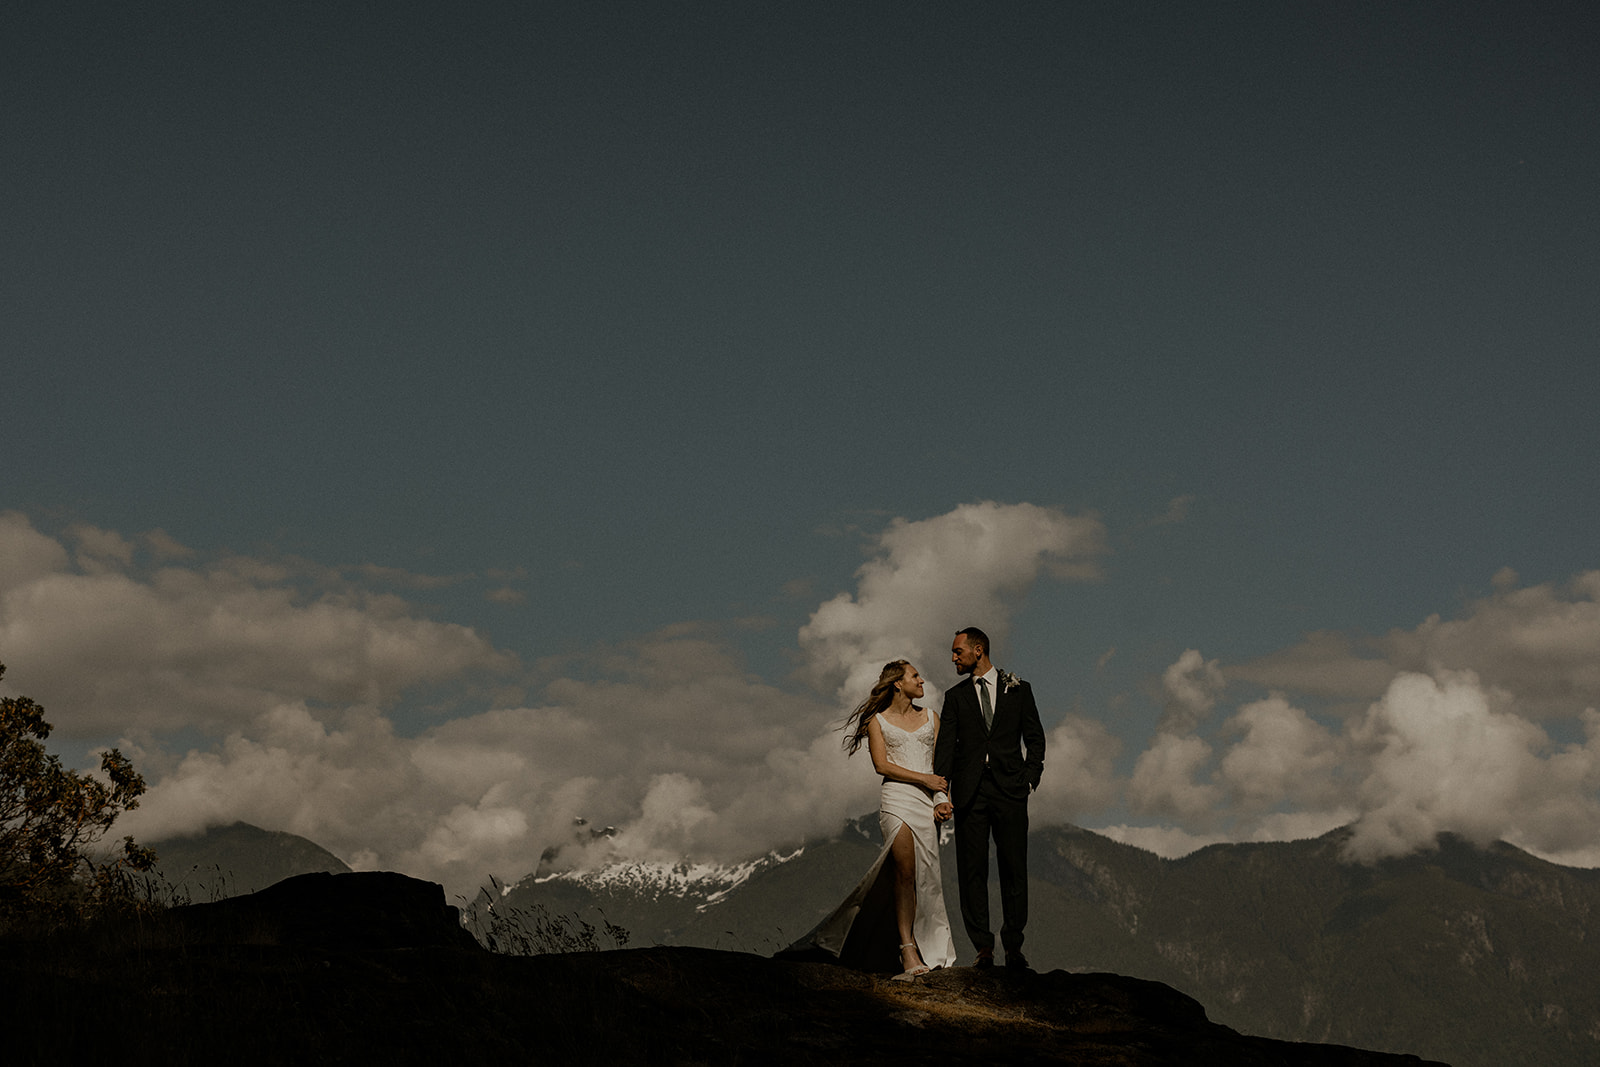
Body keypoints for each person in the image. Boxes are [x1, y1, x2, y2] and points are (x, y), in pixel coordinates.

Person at [777, 660, 957, 978]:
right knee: (904, 872)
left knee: (925, 877)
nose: (922, 680)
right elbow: (882, 765)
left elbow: (939, 764)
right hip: (898, 799)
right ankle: (907, 948)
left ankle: (920, 943)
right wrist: (924, 780)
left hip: (927, 802)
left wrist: (941, 798)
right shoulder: (877, 720)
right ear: (898, 683)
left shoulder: (932, 717)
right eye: (915, 676)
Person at [932, 626, 1045, 970]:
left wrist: (1029, 779)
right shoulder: (955, 697)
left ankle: (1013, 947)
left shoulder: (1019, 690)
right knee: (972, 871)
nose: (953, 657)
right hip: (970, 793)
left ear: (978, 650)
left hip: (1011, 791)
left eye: (958, 651)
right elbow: (945, 749)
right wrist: (940, 793)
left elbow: (1035, 738)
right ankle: (983, 947)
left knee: (1014, 868)